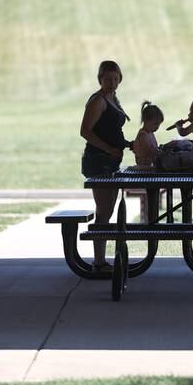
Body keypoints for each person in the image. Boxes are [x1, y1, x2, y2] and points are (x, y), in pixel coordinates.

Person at [80, 60, 132, 271]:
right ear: (100, 79)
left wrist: (128, 144)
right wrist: (109, 149)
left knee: (108, 211)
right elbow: (85, 131)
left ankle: (101, 259)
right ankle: (99, 262)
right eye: (108, 79)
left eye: (115, 79)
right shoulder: (98, 100)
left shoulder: (113, 98)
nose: (112, 82)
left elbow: (112, 131)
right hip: (99, 162)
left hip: (111, 163)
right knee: (103, 211)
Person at [133, 101, 164, 167]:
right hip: (143, 167)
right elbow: (149, 150)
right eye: (155, 124)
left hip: (150, 164)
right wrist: (161, 152)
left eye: (159, 125)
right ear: (145, 120)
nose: (157, 127)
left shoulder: (150, 132)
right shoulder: (143, 135)